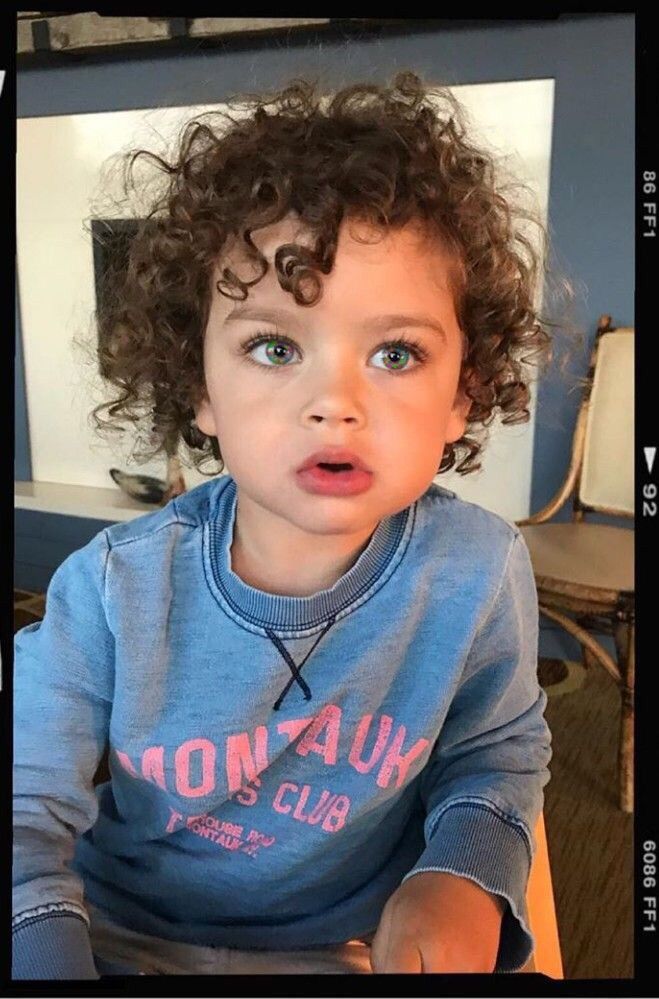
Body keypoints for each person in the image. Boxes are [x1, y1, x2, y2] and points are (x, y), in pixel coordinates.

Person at [13, 71, 557, 978]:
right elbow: (25, 810)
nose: (334, 404)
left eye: (395, 353)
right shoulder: (112, 589)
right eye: (273, 347)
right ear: (199, 387)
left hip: (344, 944)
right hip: (117, 938)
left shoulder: (477, 568)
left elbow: (495, 749)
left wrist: (459, 872)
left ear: (463, 392)